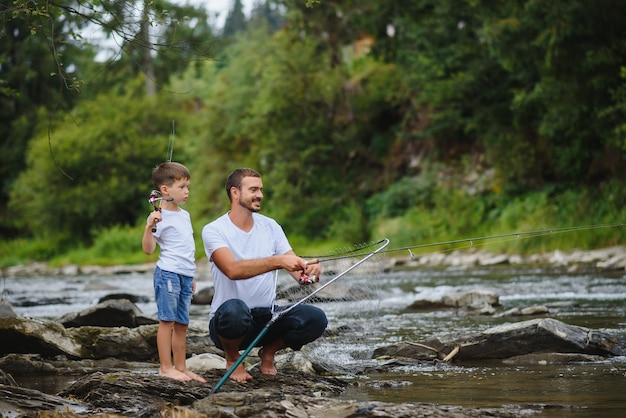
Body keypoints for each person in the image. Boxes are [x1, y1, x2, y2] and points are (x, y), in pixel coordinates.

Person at [202, 167, 328, 383]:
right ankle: (233, 358)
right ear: (235, 192)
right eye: (253, 189)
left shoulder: (271, 226)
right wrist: (277, 261)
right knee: (235, 310)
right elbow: (232, 270)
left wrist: (312, 272)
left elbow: (301, 277)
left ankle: (268, 352)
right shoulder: (214, 230)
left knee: (315, 318)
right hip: (228, 322)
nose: (260, 194)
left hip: (267, 318)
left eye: (260, 189)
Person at [141, 161, 206, 383]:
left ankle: (181, 367)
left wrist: (192, 275)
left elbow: (186, 248)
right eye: (182, 187)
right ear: (165, 190)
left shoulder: (185, 215)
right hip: (167, 274)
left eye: (188, 187)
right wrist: (149, 226)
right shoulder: (159, 217)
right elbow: (148, 250)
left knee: (182, 324)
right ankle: (165, 367)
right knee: (166, 322)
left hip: (185, 275)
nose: (187, 191)